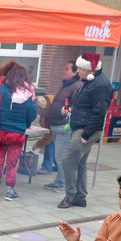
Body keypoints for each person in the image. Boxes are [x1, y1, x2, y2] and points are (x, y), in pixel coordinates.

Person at [58, 52, 113, 209]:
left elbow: (99, 112)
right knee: (80, 162)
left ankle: (70, 195)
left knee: (67, 160)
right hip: (81, 126)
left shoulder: (101, 85)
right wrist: (70, 110)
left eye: (80, 68)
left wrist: (86, 135)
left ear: (90, 69)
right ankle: (80, 197)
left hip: (86, 129)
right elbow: (87, 106)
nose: (78, 71)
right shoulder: (91, 81)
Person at [0, 63, 37, 202]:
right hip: (18, 133)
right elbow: (32, 114)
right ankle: (10, 191)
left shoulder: (3, 88)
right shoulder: (30, 92)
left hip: (1, 131)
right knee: (12, 163)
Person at [44, 61, 83, 194]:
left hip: (64, 127)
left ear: (75, 72)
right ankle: (59, 181)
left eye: (66, 69)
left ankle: (64, 184)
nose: (63, 71)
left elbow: (75, 106)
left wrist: (65, 115)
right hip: (57, 126)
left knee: (62, 158)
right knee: (58, 157)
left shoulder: (76, 86)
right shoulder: (67, 85)